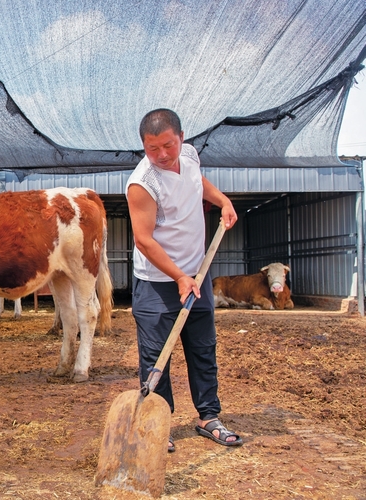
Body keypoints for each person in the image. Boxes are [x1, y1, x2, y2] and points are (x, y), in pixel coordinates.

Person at [126, 108, 243, 453]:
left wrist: (222, 200)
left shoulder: (190, 155)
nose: (162, 155)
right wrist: (177, 276)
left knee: (202, 347)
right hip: (157, 281)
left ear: (180, 138)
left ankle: (209, 416)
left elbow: (197, 182)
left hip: (198, 272)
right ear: (143, 148)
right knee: (156, 356)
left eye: (168, 145)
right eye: (152, 149)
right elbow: (144, 240)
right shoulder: (142, 183)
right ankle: (158, 423)